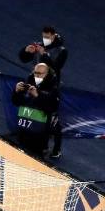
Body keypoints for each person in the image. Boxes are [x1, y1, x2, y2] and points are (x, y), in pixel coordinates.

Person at [19, 26, 68, 158]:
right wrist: (26, 51)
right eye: (43, 36)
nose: (44, 39)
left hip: (51, 88)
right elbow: (23, 59)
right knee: (36, 112)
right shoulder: (39, 46)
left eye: (47, 37)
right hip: (35, 84)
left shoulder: (61, 50)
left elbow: (56, 67)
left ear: (53, 36)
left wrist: (45, 55)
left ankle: (56, 149)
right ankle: (42, 144)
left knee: (52, 119)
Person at [11, 63, 60, 158]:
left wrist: (37, 96)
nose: (37, 76)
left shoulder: (53, 90)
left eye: (40, 73)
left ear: (47, 74)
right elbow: (16, 102)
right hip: (22, 132)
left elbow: (52, 108)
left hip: (38, 137)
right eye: (35, 73)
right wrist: (16, 91)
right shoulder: (28, 84)